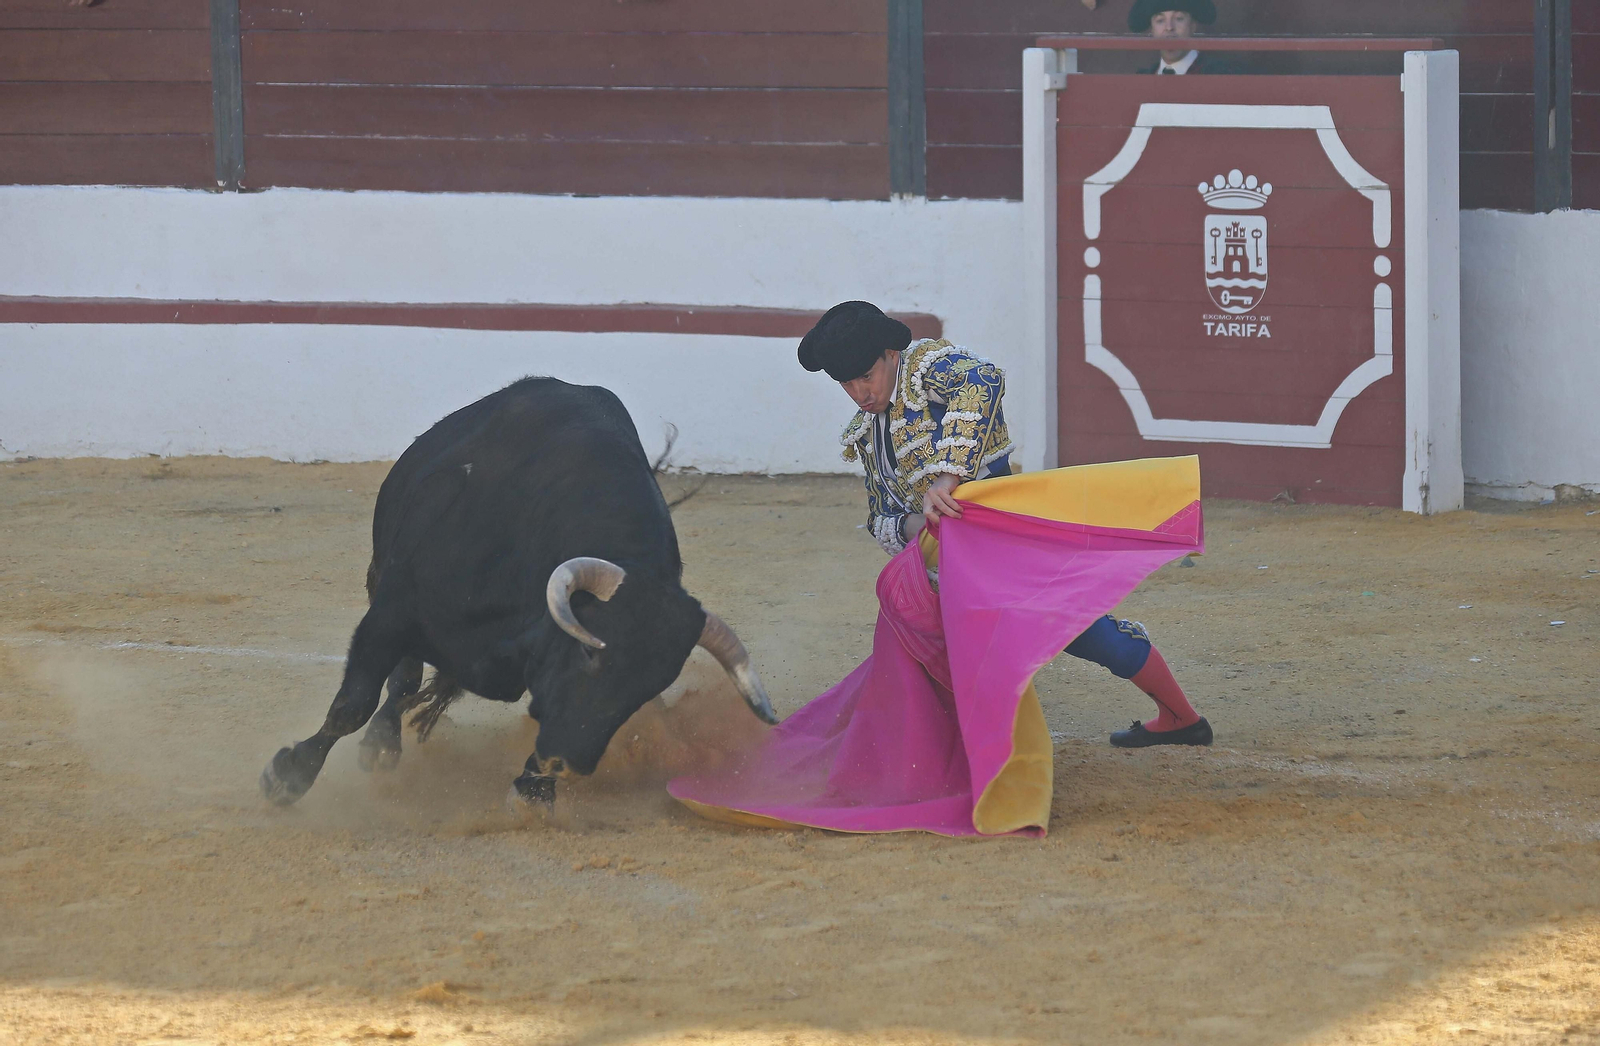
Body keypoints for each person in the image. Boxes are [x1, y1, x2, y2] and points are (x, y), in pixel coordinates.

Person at [798, 301, 1212, 748]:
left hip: (1004, 544)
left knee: (1082, 631)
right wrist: (915, 525)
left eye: (866, 376)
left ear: (890, 354)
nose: (860, 392)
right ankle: (954, 757)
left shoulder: (925, 370)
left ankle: (1181, 719)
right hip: (951, 569)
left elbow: (983, 379)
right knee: (934, 655)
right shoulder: (868, 432)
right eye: (846, 383)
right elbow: (881, 514)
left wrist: (950, 474)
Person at [1128, 0, 1240, 76]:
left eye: (1179, 18)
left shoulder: (1219, 74)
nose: (1169, 27)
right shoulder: (1143, 78)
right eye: (1160, 21)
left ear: (1193, 26)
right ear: (1152, 30)